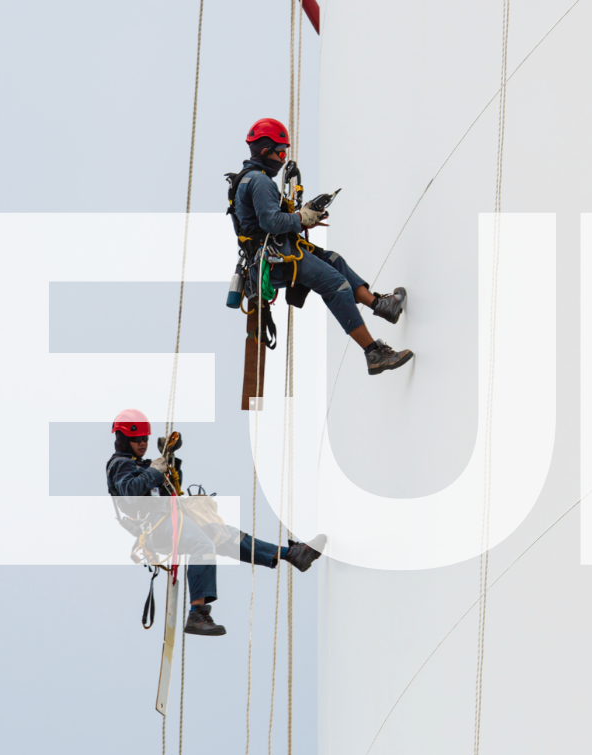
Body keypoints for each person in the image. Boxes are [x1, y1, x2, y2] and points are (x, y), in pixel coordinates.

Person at [106, 409, 326, 636]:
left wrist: (170, 461)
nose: (142, 443)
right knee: (203, 544)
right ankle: (197, 615)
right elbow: (130, 491)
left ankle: (291, 554)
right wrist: (154, 471)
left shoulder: (142, 465)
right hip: (157, 526)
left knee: (225, 534)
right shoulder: (120, 464)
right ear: (123, 440)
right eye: (136, 439)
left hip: (170, 519)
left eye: (145, 438)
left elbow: (167, 490)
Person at [232, 117, 415, 376]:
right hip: (276, 259)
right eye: (280, 152)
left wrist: (305, 217)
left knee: (333, 260)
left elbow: (265, 223)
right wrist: (301, 218)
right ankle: (374, 354)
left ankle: (381, 305)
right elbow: (270, 222)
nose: (283, 159)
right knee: (336, 286)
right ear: (264, 151)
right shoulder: (259, 181)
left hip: (275, 255)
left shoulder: (247, 179)